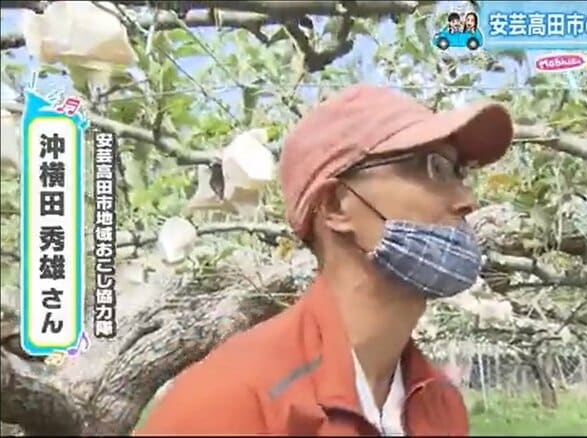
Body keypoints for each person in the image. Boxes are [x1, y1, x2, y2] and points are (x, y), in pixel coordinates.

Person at [133, 84, 514, 436]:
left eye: (461, 173)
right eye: (436, 168)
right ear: (335, 206)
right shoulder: (229, 403)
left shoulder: (440, 402)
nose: (468, 200)